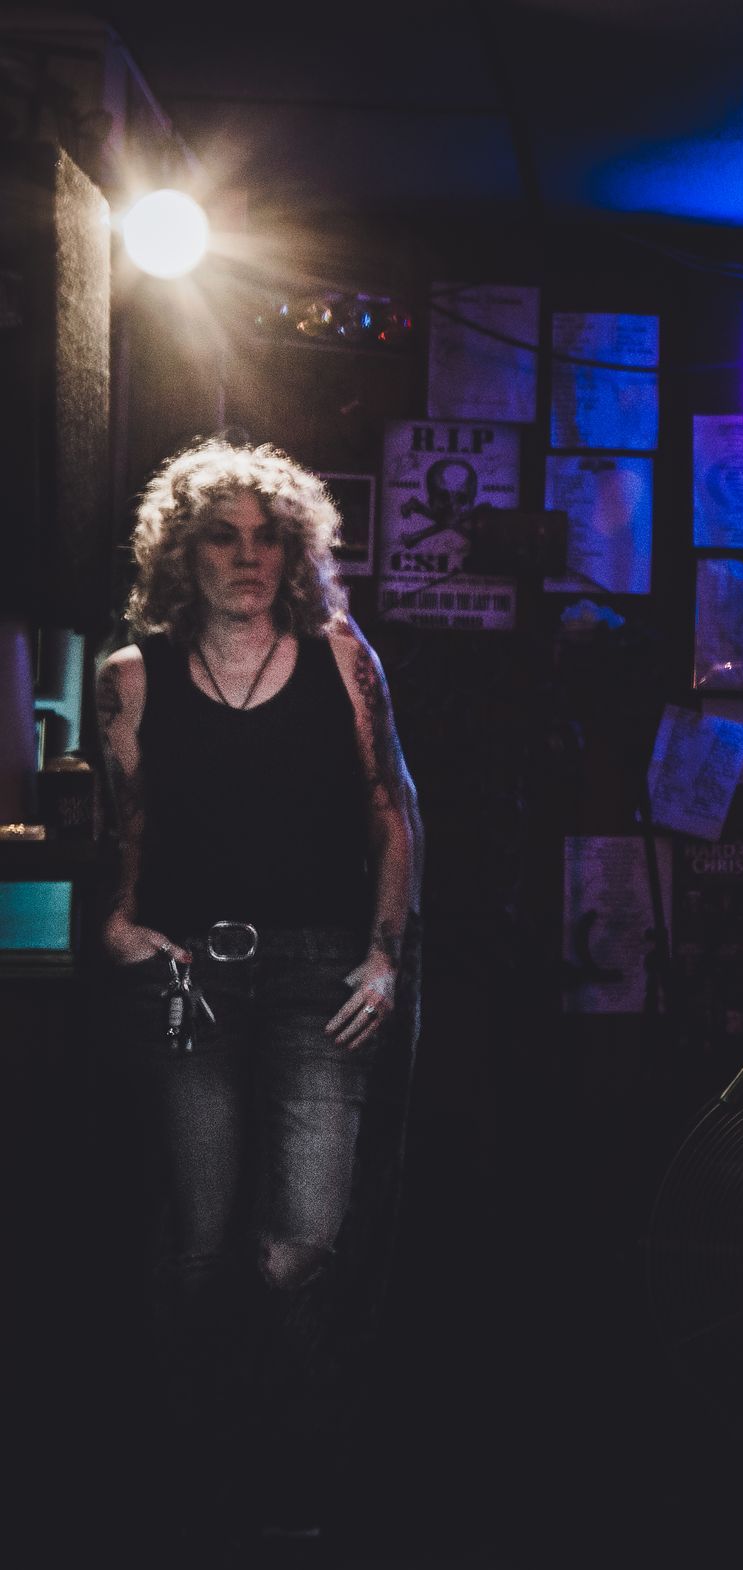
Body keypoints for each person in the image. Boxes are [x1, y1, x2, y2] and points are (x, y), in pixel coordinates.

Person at [95, 437, 422, 1550]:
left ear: (296, 550)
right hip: (188, 974)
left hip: (317, 974)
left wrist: (384, 954)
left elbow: (388, 810)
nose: (248, 557)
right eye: (223, 537)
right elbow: (128, 822)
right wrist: (119, 923)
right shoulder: (130, 675)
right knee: (196, 1242)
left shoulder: (339, 653)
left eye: (267, 535)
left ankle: (295, 1484)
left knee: (300, 1247)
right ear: (184, 554)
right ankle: (185, 1480)